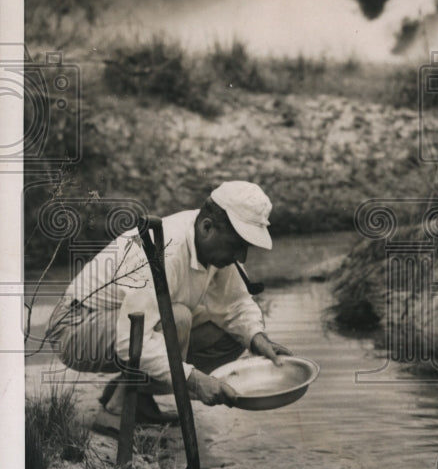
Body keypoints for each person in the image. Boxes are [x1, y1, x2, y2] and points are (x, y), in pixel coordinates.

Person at [47, 181, 293, 426]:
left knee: (232, 335)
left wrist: (258, 339)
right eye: (236, 246)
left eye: (245, 247)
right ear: (207, 227)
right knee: (176, 318)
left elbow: (235, 304)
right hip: (75, 328)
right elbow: (128, 340)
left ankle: (136, 395)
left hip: (118, 323)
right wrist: (194, 379)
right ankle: (115, 410)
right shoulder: (166, 248)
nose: (242, 257)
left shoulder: (213, 246)